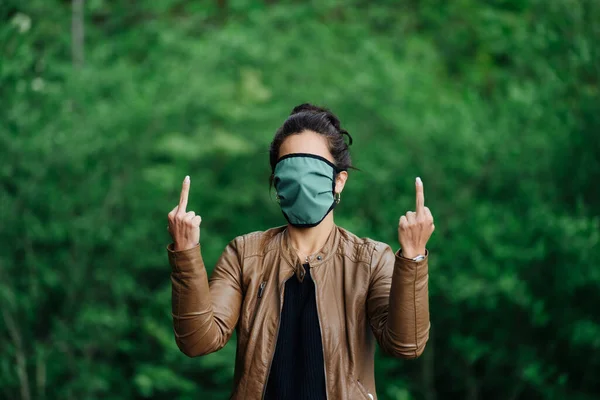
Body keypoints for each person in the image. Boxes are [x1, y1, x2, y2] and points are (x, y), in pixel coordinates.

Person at [167, 104, 434, 400]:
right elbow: (197, 341)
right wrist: (185, 252)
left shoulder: (369, 260)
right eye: (291, 170)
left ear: (338, 180)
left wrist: (413, 257)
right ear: (277, 181)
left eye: (314, 170)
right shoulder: (245, 255)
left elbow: (405, 344)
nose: (302, 182)